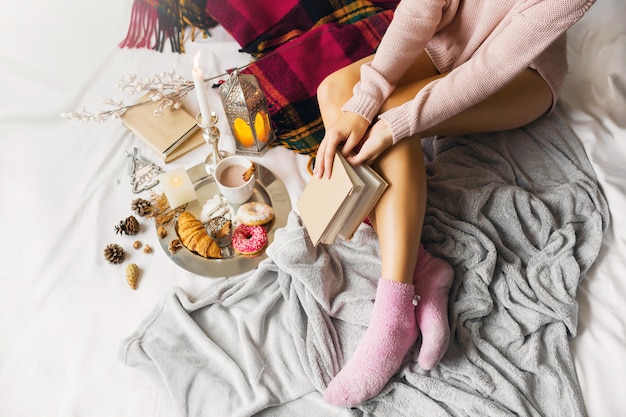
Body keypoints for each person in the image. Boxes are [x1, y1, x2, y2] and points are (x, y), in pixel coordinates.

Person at [314, 0, 597, 408]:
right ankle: (424, 266)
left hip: (521, 74)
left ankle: (393, 312)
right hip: (446, 44)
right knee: (336, 91)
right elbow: (418, 11)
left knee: (390, 115)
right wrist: (364, 101)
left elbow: (490, 69)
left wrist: (394, 123)